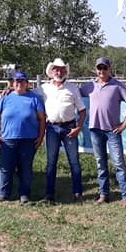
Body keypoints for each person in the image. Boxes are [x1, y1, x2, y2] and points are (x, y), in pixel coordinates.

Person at [80, 57, 126, 207]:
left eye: (105, 68)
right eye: (99, 68)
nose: (102, 71)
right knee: (100, 164)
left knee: (118, 163)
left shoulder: (117, 86)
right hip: (95, 130)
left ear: (110, 69)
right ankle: (104, 195)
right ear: (96, 70)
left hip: (112, 131)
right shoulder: (90, 86)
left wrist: (124, 124)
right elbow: (74, 94)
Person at [35, 58, 87, 203]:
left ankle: (78, 193)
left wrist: (78, 127)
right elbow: (26, 92)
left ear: (65, 71)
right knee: (51, 162)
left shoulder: (73, 88)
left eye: (62, 69)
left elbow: (83, 111)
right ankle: (49, 194)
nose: (59, 72)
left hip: (69, 127)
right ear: (51, 72)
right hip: (51, 127)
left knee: (74, 162)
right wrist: (11, 90)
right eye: (56, 69)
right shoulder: (43, 89)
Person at [0, 70, 46, 204]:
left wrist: (41, 135)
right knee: (6, 167)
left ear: (27, 83)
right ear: (13, 83)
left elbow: (42, 119)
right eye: (17, 81)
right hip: (8, 138)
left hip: (28, 139)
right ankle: (4, 194)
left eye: (22, 81)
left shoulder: (35, 99)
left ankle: (24, 194)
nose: (19, 83)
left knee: (25, 168)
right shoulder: (5, 98)